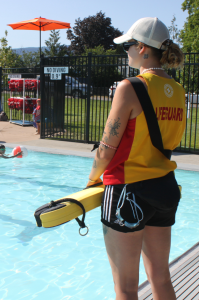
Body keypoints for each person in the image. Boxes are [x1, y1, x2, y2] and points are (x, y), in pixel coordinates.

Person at [87, 17, 185, 300]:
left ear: (143, 48)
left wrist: (91, 181)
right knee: (161, 277)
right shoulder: (178, 91)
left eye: (128, 45)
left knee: (126, 289)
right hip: (165, 188)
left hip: (126, 191)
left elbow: (107, 147)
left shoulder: (130, 87)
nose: (126, 51)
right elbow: (172, 141)